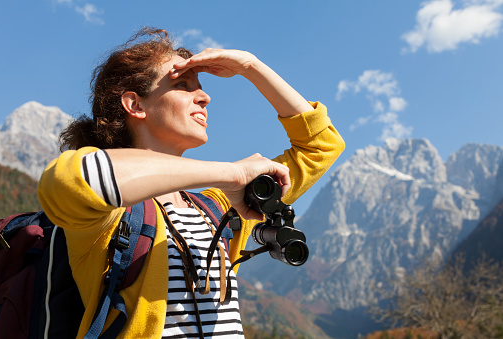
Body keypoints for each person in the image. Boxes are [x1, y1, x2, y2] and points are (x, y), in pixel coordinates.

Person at [37, 27, 345, 338]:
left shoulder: (217, 208)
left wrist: (250, 67)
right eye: (182, 85)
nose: (205, 96)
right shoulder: (108, 216)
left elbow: (322, 146)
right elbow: (75, 178)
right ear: (136, 105)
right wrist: (230, 173)